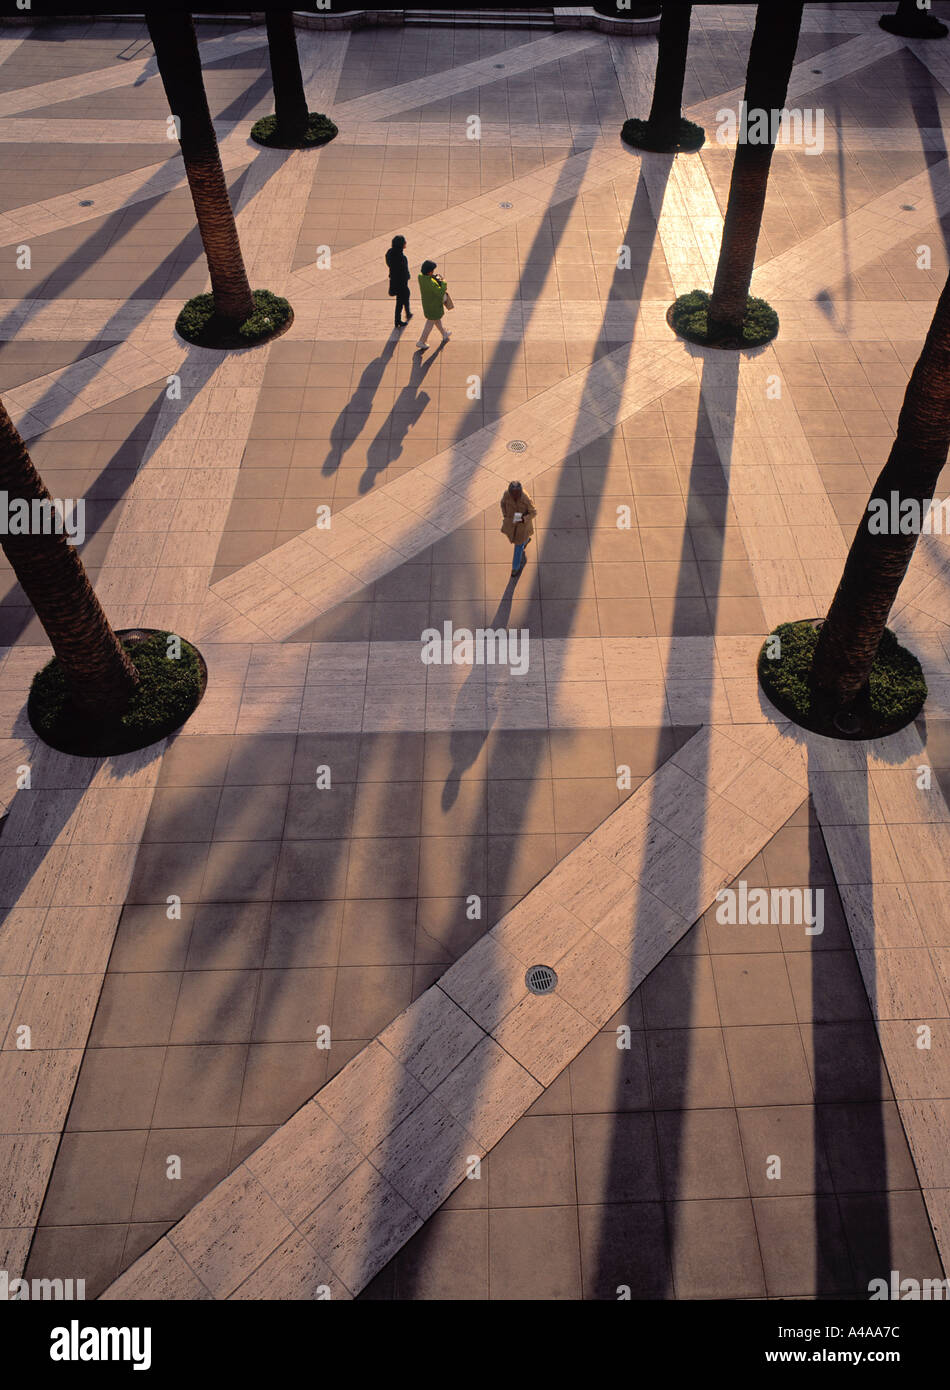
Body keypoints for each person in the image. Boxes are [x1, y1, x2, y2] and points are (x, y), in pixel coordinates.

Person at [500, 480, 537, 577]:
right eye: (513, 493)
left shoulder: (526, 498)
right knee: (517, 540)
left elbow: (533, 512)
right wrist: (505, 515)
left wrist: (524, 519)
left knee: (518, 546)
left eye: (517, 493)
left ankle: (515, 568)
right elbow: (502, 503)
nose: (515, 495)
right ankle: (526, 540)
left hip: (522, 526)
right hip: (511, 523)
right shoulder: (506, 494)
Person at [416, 259, 452, 350]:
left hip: (428, 304)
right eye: (432, 271)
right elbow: (440, 292)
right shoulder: (431, 283)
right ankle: (421, 341)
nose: (433, 272)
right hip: (434, 306)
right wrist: (443, 283)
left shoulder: (421, 277)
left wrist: (432, 277)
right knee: (430, 323)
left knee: (436, 320)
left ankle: (444, 334)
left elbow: (428, 281)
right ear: (429, 272)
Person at [385, 235, 412, 330]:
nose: (406, 243)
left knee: (404, 297)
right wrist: (408, 276)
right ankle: (398, 320)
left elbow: (388, 263)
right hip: (401, 283)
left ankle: (407, 313)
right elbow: (404, 271)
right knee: (401, 301)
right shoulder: (402, 257)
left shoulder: (390, 253)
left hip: (394, 280)